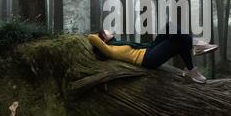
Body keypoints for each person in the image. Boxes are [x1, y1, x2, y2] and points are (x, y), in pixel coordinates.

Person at [88, 24, 218, 84]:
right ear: (103, 38)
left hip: (149, 48)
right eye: (106, 31)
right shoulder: (110, 50)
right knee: (176, 42)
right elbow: (90, 37)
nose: (109, 30)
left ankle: (196, 48)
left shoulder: (117, 43)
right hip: (146, 59)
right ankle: (195, 53)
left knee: (170, 27)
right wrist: (97, 35)